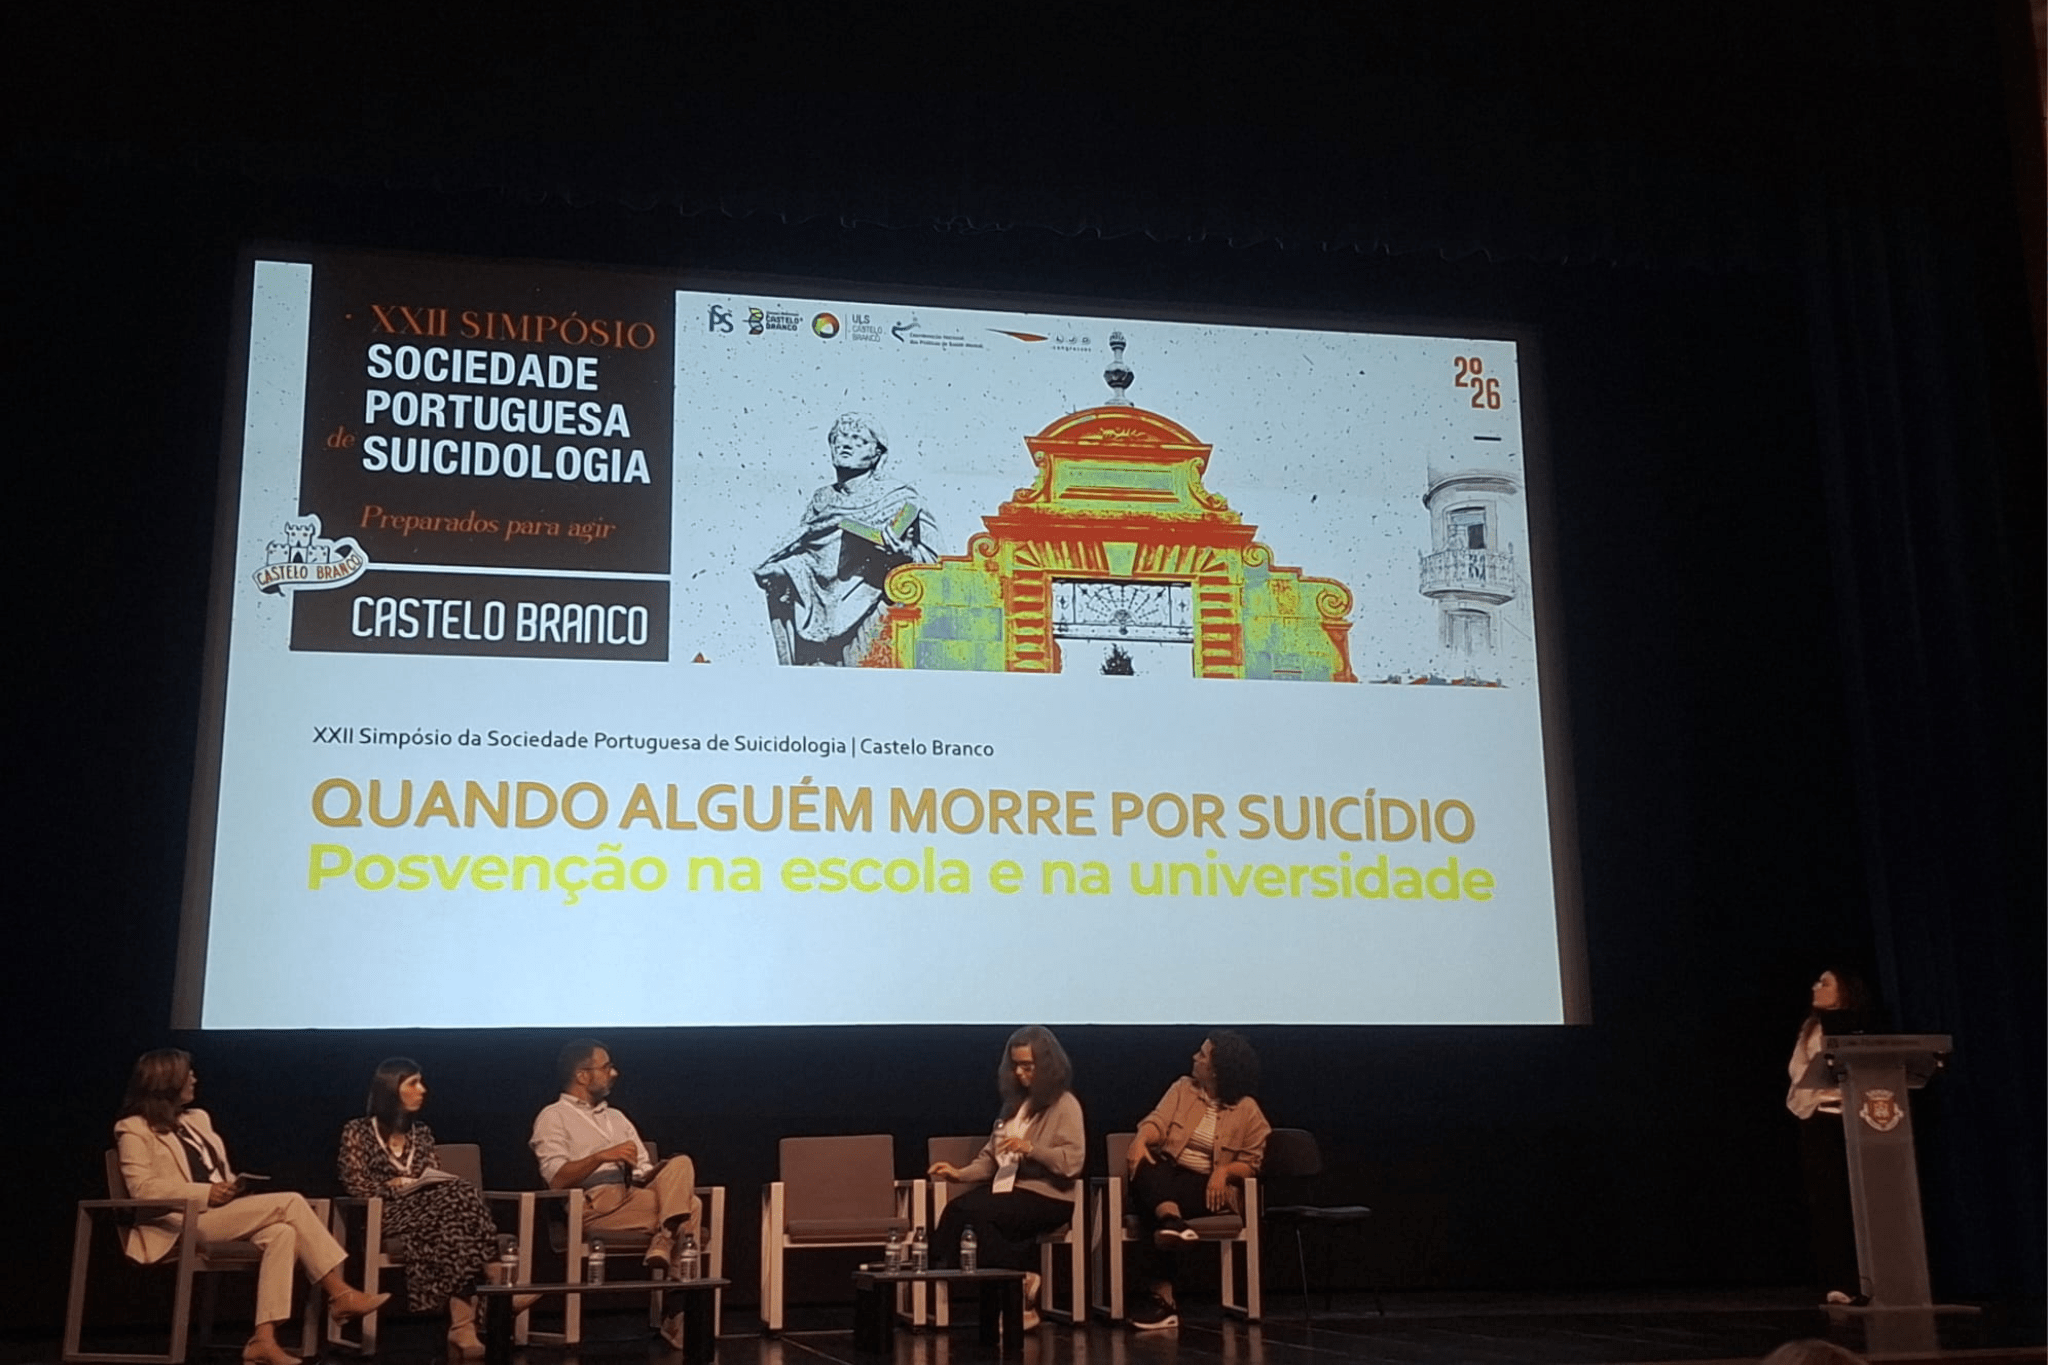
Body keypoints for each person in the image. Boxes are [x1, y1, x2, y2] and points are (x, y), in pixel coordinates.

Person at [114, 1050, 387, 1365]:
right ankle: (339, 1293)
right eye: (188, 1073)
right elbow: (142, 1189)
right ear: (167, 1080)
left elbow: (215, 1171)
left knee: (282, 1233)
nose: (194, 1078)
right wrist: (206, 1193)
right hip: (176, 1223)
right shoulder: (132, 1128)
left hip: (219, 1214)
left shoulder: (197, 1118)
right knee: (290, 1201)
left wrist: (231, 1187)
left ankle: (263, 1340)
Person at [336, 1059, 501, 1360]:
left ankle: (463, 1327)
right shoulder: (357, 1130)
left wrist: (421, 1184)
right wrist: (394, 1186)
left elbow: (434, 1176)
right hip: (384, 1214)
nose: (422, 1089)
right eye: (413, 1083)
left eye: (421, 1082)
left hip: (431, 1212)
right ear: (391, 1089)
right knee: (461, 1196)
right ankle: (496, 1277)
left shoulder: (421, 1132)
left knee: (457, 1206)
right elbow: (355, 1183)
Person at [927, 1026, 1086, 1328]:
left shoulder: (1065, 1105)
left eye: (1027, 1066)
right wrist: (958, 1174)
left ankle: (934, 1267)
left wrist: (1031, 1149)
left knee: (973, 1212)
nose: (1020, 1072)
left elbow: (1071, 1163)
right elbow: (991, 1158)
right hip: (1011, 1191)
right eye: (1015, 1065)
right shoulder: (1013, 1107)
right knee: (962, 1211)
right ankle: (1020, 1290)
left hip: (1050, 1196)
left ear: (1047, 1066)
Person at [753, 412, 939, 666]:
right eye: (839, 439)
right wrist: (783, 571)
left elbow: (935, 562)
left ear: (877, 453)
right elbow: (810, 558)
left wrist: (904, 553)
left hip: (874, 608)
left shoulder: (900, 498)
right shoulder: (822, 500)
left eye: (859, 440)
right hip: (816, 613)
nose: (845, 445)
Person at [1121, 1031, 1271, 1331]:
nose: (1194, 1057)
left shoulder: (1248, 1111)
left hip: (1208, 1189)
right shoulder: (1182, 1089)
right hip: (1168, 1175)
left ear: (1217, 1070)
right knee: (1146, 1167)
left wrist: (1223, 1172)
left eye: (1202, 1055)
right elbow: (1157, 1122)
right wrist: (1140, 1140)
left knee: (1151, 1199)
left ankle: (1164, 1301)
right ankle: (1172, 1222)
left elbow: (1252, 1164)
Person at [529, 1040, 700, 1270]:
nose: (614, 1073)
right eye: (606, 1067)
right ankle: (677, 1278)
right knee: (691, 1206)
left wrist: (654, 1173)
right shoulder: (553, 1116)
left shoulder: (617, 1117)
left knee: (681, 1163)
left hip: (631, 1195)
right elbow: (556, 1179)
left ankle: (665, 1239)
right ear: (582, 1076)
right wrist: (600, 1157)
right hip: (594, 1206)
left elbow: (642, 1167)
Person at [1785, 967, 1883, 1307]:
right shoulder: (1810, 1027)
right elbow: (1800, 1073)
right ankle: (1836, 1279)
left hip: (1854, 1120)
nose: (1816, 986)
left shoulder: (1859, 1026)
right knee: (1827, 1200)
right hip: (1818, 1119)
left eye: (1825, 983)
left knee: (1856, 1198)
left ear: (1845, 991)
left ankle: (1869, 1277)